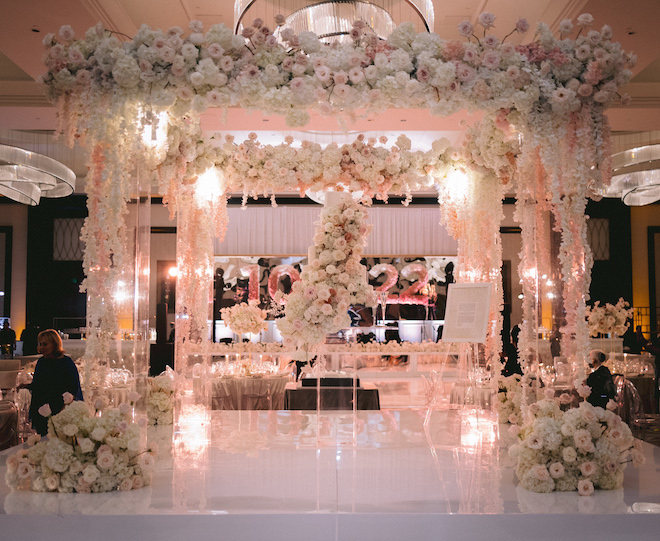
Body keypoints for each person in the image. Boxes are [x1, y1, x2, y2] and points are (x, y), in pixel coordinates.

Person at [27, 329, 83, 436]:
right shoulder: (41, 362)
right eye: (40, 344)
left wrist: (63, 408)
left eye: (45, 344)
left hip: (60, 408)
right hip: (43, 408)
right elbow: (39, 385)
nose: (41, 347)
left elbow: (73, 388)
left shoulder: (66, 362)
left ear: (55, 344)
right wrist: (26, 385)